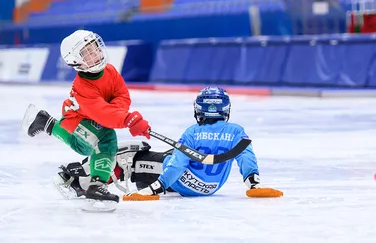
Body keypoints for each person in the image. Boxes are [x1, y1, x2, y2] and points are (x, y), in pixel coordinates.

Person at [55, 87, 283, 201]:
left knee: (131, 157)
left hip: (184, 182)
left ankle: (81, 180)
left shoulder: (192, 132)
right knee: (164, 153)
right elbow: (246, 156)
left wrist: (156, 188)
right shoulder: (237, 131)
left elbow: (176, 165)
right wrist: (253, 185)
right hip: (211, 188)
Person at [21, 30, 151, 209]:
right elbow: (103, 114)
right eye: (87, 53)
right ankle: (96, 185)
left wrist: (121, 114)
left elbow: (122, 96)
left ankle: (45, 122)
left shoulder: (110, 71)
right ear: (76, 61)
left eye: (95, 48)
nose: (96, 54)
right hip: (78, 118)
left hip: (92, 118)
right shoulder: (83, 86)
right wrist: (127, 119)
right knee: (106, 139)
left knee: (82, 148)